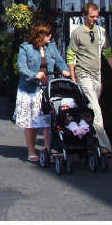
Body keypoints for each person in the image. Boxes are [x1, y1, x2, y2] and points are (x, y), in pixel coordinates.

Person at [67, 2, 112, 156]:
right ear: (84, 16)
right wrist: (73, 77)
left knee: (90, 111)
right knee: (96, 110)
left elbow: (108, 53)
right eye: (91, 17)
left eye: (97, 17)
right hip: (83, 75)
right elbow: (71, 55)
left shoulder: (101, 32)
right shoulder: (77, 33)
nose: (94, 19)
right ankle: (105, 146)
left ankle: (85, 138)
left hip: (96, 75)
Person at [15, 21, 70, 162]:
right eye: (47, 34)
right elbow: (22, 67)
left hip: (47, 89)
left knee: (48, 122)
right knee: (31, 122)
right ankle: (31, 151)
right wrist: (34, 74)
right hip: (30, 90)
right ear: (39, 35)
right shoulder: (26, 48)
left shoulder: (51, 47)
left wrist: (65, 70)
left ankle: (47, 150)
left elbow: (59, 61)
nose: (50, 36)